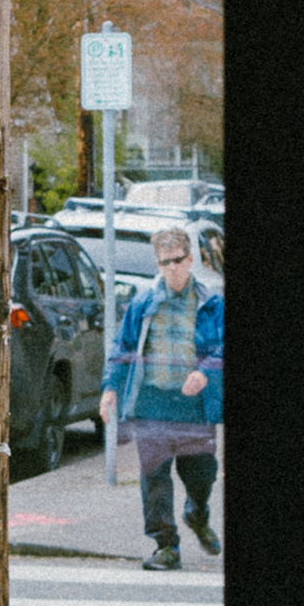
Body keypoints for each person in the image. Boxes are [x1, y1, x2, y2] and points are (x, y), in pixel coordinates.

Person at [100, 222, 223, 570]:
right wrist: (110, 388)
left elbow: (223, 348)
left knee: (201, 476)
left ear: (190, 260)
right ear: (157, 264)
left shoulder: (211, 303)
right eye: (164, 262)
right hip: (152, 402)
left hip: (193, 407)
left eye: (177, 260)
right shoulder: (144, 303)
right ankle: (166, 545)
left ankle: (197, 514)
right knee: (154, 477)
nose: (171, 268)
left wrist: (205, 372)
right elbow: (122, 347)